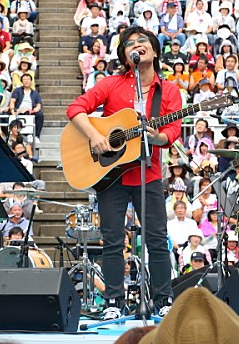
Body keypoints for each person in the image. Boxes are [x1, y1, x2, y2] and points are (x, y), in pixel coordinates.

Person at [66, 26, 182, 320]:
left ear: (154, 50)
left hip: (149, 173)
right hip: (111, 176)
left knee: (156, 238)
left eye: (143, 41)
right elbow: (76, 108)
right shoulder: (112, 84)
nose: (137, 45)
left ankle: (163, 300)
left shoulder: (167, 91)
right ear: (125, 56)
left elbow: (172, 132)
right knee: (113, 240)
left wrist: (156, 137)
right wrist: (94, 136)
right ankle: (113, 302)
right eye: (130, 43)